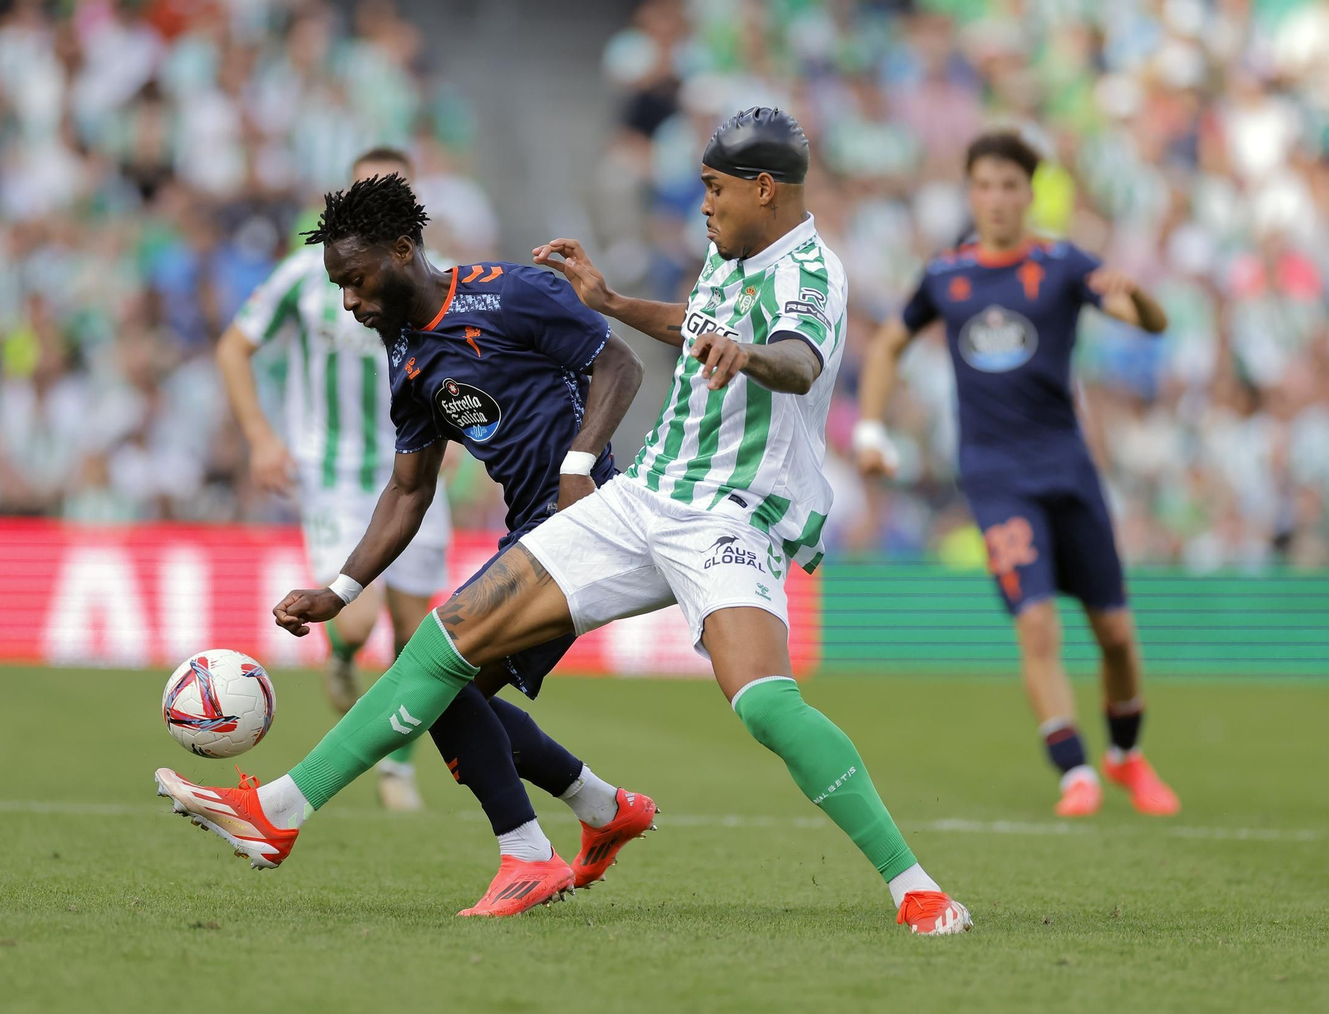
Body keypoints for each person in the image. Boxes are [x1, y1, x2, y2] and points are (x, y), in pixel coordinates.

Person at [158, 108, 972, 936]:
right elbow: (692, 327)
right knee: (445, 642)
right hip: (646, 495)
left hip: (732, 513)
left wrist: (747, 358)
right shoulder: (731, 257)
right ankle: (283, 813)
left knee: (763, 705)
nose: (703, 205)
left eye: (715, 189)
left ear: (765, 188)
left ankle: (915, 886)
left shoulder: (810, 274)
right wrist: (613, 300)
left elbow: (798, 363)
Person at [166, 172, 657, 917]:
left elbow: (620, 364)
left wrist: (579, 464)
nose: (349, 302)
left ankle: (301, 818)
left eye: (357, 281)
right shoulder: (405, 355)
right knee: (446, 689)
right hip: (532, 533)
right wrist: (339, 589)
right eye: (338, 287)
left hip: (583, 529)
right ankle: (601, 809)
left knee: (431, 668)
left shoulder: (510, 294)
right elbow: (408, 490)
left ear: (402, 251)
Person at [855, 130, 1181, 819]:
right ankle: (1075, 773)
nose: (997, 199)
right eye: (985, 186)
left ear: (1029, 194)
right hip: (996, 477)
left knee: (1116, 633)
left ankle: (1125, 757)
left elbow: (1148, 321)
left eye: (1010, 186)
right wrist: (872, 429)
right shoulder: (947, 275)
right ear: (970, 192)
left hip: (1068, 469)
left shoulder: (1062, 264)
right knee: (1037, 627)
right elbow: (888, 343)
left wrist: (1140, 296)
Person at [216, 147, 445, 811]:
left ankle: (397, 768)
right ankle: (342, 655)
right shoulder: (303, 274)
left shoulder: (435, 275)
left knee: (417, 631)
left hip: (412, 465)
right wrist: (261, 438)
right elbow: (235, 346)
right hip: (335, 472)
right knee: (358, 617)